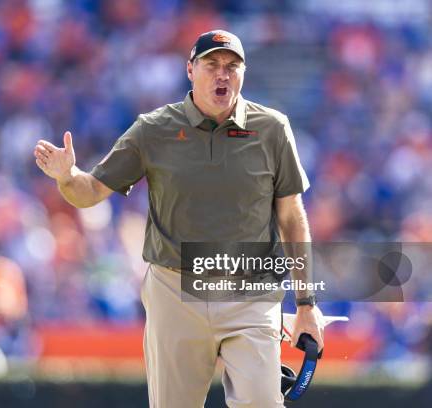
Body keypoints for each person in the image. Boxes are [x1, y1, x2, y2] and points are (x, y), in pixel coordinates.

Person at [34, 30, 325, 408]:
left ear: (243, 73)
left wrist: (307, 303)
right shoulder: (154, 129)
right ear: (190, 70)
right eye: (212, 65)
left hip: (251, 290)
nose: (222, 74)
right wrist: (67, 177)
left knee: (262, 402)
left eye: (232, 66)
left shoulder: (272, 128)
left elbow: (292, 217)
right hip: (176, 290)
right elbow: (90, 193)